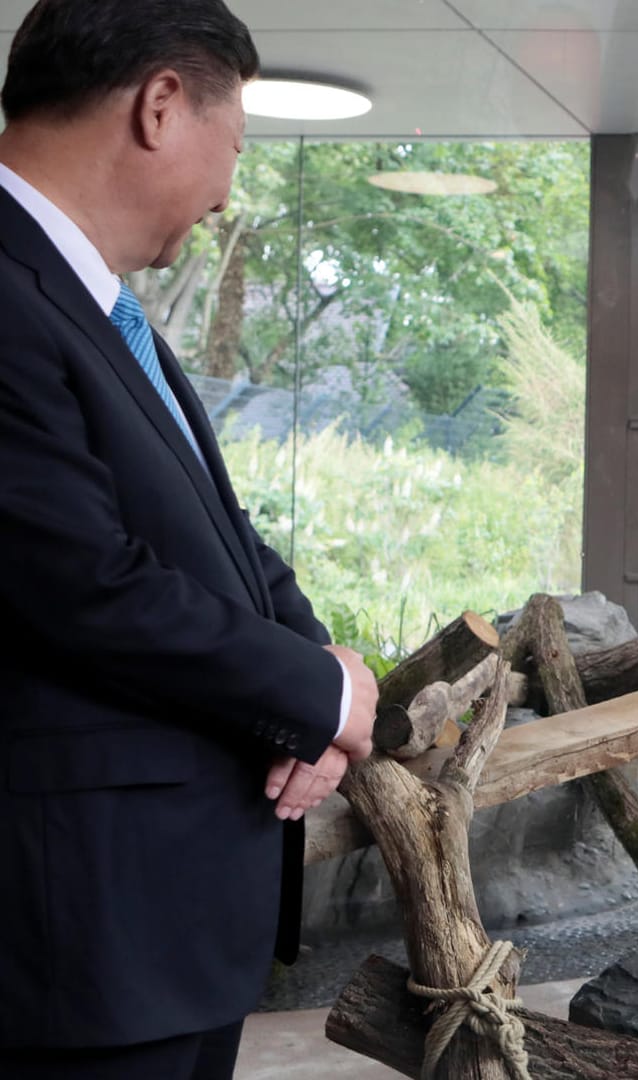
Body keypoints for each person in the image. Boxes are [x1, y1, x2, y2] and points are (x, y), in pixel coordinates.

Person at [0, 2, 379, 1076]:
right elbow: (81, 583)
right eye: (237, 147)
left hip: (158, 932)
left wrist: (319, 685)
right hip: (79, 939)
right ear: (162, 103)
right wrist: (319, 696)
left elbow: (221, 535)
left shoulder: (102, 310)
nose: (227, 193)